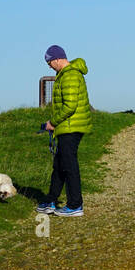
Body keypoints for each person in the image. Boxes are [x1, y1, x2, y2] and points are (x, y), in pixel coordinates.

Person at [35, 46, 92, 217]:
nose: (50, 66)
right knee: (59, 165)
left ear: (58, 59)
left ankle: (75, 205)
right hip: (67, 126)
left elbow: (70, 106)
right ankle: (51, 200)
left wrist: (52, 122)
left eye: (50, 62)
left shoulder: (70, 75)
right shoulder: (67, 75)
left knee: (69, 166)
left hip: (71, 126)